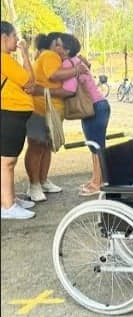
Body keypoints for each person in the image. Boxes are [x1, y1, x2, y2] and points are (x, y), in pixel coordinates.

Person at [24, 32, 88, 202]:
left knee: (46, 146)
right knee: (37, 146)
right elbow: (54, 75)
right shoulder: (49, 55)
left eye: (63, 46)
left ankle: (43, 181)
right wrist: (76, 69)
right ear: (51, 45)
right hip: (41, 108)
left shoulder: (54, 57)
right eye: (57, 45)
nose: (60, 49)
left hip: (51, 110)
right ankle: (34, 185)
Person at [59, 33, 111, 196]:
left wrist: (46, 91)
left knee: (96, 147)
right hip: (98, 106)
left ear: (66, 50)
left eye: (59, 45)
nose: (56, 48)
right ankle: (96, 178)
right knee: (95, 146)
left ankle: (98, 182)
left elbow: (69, 89)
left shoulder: (69, 64)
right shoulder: (78, 61)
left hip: (94, 107)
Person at [1, 21, 36, 219]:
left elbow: (28, 84)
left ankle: (9, 198)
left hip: (13, 113)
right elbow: (29, 81)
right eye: (14, 36)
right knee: (7, 161)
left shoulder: (6, 59)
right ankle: (7, 205)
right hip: (9, 113)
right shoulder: (4, 59)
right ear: (4, 37)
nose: (17, 40)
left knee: (7, 161)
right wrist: (25, 54)